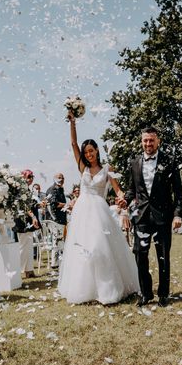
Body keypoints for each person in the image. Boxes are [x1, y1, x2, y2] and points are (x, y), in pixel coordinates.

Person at [57, 111, 139, 305]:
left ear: (97, 151)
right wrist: (72, 123)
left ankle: (108, 289)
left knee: (100, 248)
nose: (88, 154)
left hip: (100, 212)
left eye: (91, 151)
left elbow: (118, 190)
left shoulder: (107, 169)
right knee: (83, 249)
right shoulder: (82, 168)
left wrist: (122, 199)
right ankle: (86, 289)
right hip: (82, 212)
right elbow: (73, 144)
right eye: (86, 152)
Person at [119, 127, 182, 307]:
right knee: (140, 254)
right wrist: (125, 200)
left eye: (151, 140)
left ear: (158, 141)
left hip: (163, 216)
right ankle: (146, 293)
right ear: (142, 142)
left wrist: (177, 215)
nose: (148, 144)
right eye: (145, 140)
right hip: (141, 217)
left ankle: (163, 293)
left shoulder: (169, 162)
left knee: (163, 255)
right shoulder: (134, 162)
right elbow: (133, 189)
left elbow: (178, 193)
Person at [13, 169, 40, 279]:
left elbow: (30, 205)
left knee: (28, 246)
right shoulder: (20, 190)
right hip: (22, 221)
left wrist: (38, 205)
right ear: (23, 178)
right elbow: (24, 206)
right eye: (28, 177)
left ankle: (29, 270)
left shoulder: (27, 190)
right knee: (23, 247)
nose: (31, 179)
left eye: (32, 177)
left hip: (28, 220)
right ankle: (17, 272)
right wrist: (33, 216)